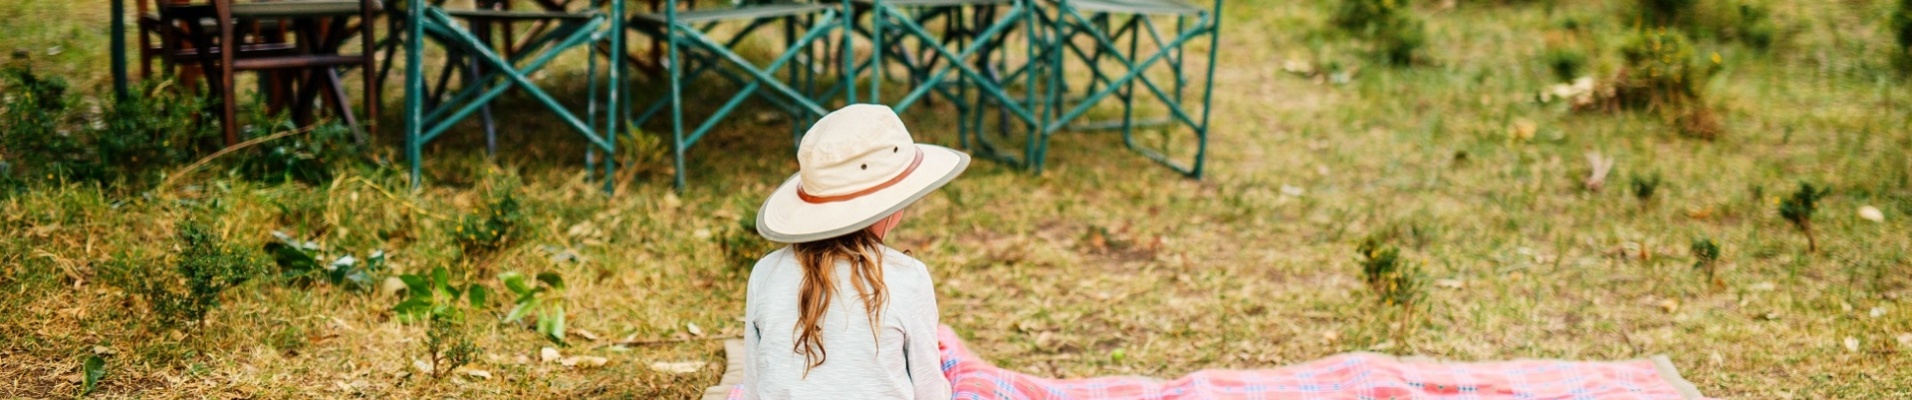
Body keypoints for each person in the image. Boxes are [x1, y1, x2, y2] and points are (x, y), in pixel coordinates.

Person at [742, 104, 968, 399]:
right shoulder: (908, 277)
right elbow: (929, 390)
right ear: (894, 204)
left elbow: (753, 385)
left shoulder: (765, 272)